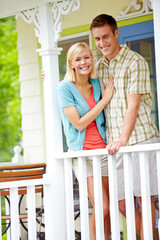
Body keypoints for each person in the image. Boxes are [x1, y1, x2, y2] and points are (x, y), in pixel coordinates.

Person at [90, 14, 160, 239]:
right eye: (97, 39)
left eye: (106, 36)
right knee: (120, 203)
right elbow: (76, 80)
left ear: (116, 33)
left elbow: (133, 104)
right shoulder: (99, 66)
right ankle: (148, 235)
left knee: (142, 197)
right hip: (115, 146)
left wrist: (123, 139)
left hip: (140, 139)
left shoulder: (135, 61)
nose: (102, 43)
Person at [56, 42, 114, 240]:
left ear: (92, 59)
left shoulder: (97, 85)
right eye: (78, 59)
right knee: (102, 206)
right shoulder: (64, 88)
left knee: (108, 211)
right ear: (71, 63)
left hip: (103, 151)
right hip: (82, 154)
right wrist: (104, 101)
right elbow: (79, 124)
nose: (83, 62)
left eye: (87, 57)